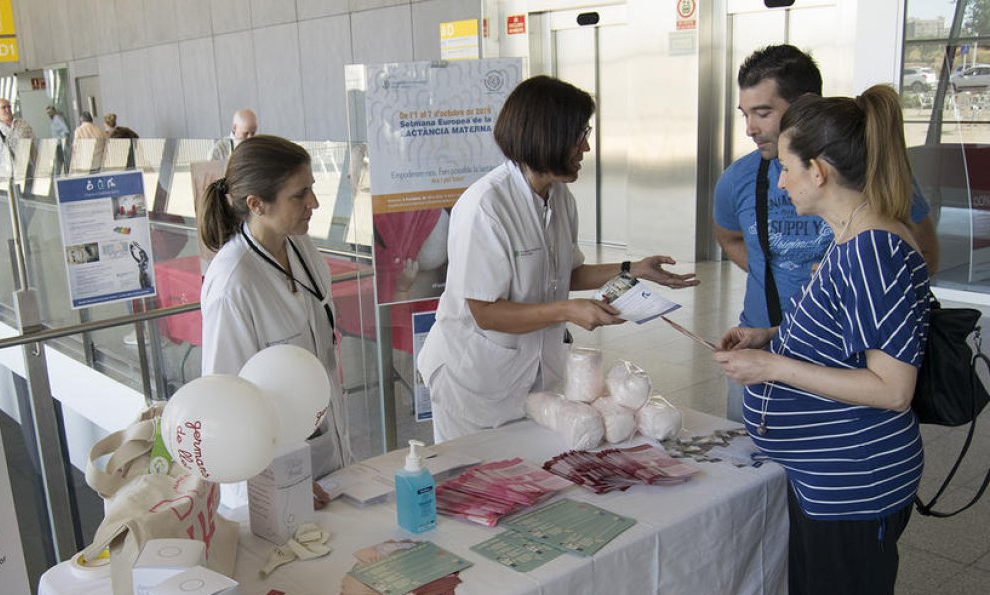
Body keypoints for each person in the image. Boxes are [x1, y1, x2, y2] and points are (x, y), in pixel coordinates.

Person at [714, 85, 929, 595]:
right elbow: (844, 337)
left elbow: (892, 387)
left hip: (854, 484)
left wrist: (775, 368)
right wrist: (771, 337)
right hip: (824, 480)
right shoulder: (850, 237)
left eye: (786, 169)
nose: (780, 183)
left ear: (821, 171)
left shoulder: (871, 249)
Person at [416, 76, 698, 443]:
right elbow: (484, 312)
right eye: (579, 133)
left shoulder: (560, 198)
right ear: (548, 136)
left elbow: (567, 272)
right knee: (480, 485)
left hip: (533, 376)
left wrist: (634, 269)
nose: (586, 146)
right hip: (473, 382)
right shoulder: (486, 206)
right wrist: (566, 310)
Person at [713, 44, 938, 421]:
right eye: (745, 114)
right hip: (771, 344)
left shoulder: (870, 242)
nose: (750, 128)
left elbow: (892, 389)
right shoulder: (737, 179)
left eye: (763, 112)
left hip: (845, 372)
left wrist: (847, 294)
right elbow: (728, 236)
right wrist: (776, 330)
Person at [199, 135, 348, 501]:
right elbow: (226, 403)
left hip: (328, 452)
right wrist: (284, 480)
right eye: (299, 195)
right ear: (256, 204)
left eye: (311, 189)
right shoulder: (232, 283)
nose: (313, 203)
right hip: (269, 483)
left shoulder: (299, 245)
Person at [0, 97, 34, 181]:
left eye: (9, 107)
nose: (7, 110)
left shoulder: (23, 124)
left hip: (26, 173)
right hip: (6, 176)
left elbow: (32, 147)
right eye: (3, 107)